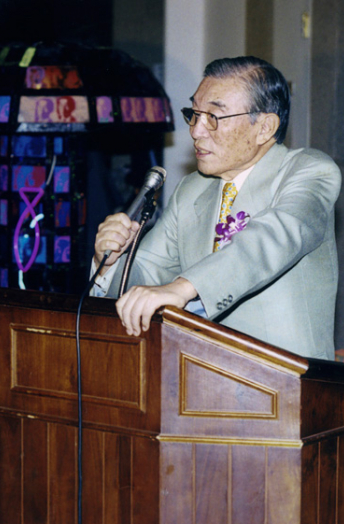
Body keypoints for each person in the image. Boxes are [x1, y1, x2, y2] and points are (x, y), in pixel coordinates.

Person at [91, 56, 341, 360]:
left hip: (286, 378)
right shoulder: (191, 190)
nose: (196, 131)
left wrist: (184, 288)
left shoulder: (308, 171)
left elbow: (271, 240)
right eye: (194, 114)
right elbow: (146, 276)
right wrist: (110, 263)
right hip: (197, 373)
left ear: (264, 127)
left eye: (213, 116)